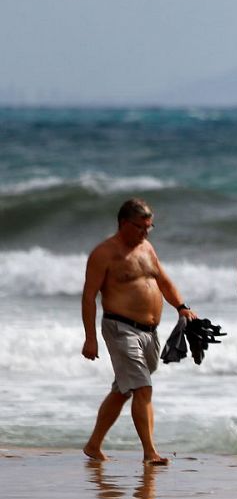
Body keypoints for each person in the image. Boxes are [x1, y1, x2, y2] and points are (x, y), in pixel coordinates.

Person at [81, 198, 200, 465]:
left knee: (124, 390)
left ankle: (93, 445)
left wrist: (182, 307)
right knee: (143, 388)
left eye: (149, 227)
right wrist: (90, 338)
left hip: (149, 332)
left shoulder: (146, 247)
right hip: (120, 328)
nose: (145, 232)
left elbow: (163, 281)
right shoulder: (104, 253)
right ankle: (150, 452)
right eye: (140, 227)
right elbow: (89, 297)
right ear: (124, 223)